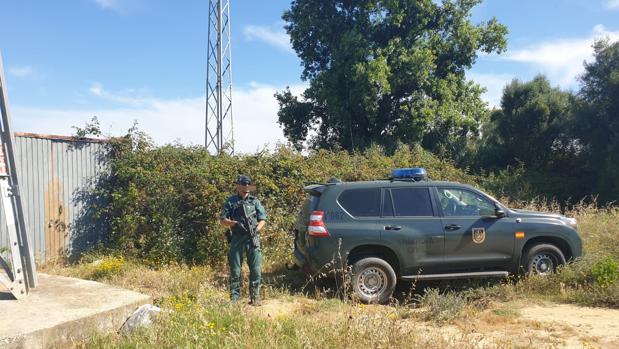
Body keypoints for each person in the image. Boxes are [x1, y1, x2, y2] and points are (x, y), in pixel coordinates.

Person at [219, 175, 267, 305]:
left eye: (248, 185)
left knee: (256, 269)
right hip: (237, 238)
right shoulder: (231, 201)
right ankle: (235, 298)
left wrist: (257, 230)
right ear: (238, 186)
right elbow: (222, 220)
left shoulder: (255, 201)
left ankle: (255, 297)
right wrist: (234, 223)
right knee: (235, 270)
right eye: (243, 184)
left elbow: (263, 219)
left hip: (252, 238)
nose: (246, 187)